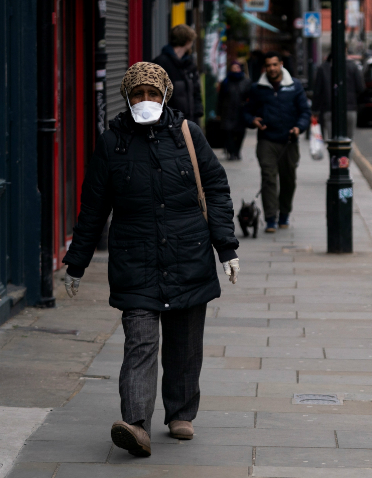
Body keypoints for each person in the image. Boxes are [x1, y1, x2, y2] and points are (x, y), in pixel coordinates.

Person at [61, 62, 240, 458]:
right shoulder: (112, 142)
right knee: (139, 342)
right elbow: (93, 207)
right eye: (138, 94)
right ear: (127, 98)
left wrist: (226, 248)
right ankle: (136, 425)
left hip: (188, 255)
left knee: (185, 343)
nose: (146, 100)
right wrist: (77, 262)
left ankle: (180, 414)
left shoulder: (188, 135)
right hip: (135, 259)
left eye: (152, 94)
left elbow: (217, 189)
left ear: (165, 96)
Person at [243, 51, 311, 233]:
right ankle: (271, 218)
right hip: (267, 141)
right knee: (269, 178)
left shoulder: (294, 86)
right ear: (265, 67)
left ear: (281, 64)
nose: (272, 69)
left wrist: (299, 127)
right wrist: (252, 120)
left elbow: (305, 112)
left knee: (289, 180)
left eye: (275, 64)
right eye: (268, 65)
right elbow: (246, 112)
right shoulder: (258, 88)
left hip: (289, 140)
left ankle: (284, 214)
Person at [153, 24, 203, 124]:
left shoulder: (189, 64)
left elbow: (196, 91)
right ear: (188, 41)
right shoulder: (161, 63)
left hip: (189, 122)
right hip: (169, 124)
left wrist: (198, 113)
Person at [312, 51, 365, 139]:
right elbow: (360, 88)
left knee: (332, 140)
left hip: (329, 109)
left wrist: (315, 110)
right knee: (349, 140)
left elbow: (317, 91)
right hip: (349, 108)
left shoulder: (323, 68)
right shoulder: (352, 66)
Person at [218, 61, 251, 161]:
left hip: (240, 111)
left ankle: (237, 151)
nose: (235, 70)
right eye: (233, 67)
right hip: (227, 110)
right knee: (228, 132)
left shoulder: (246, 81)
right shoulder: (226, 81)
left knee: (240, 132)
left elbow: (250, 96)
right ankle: (231, 152)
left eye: (237, 67)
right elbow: (220, 97)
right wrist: (218, 112)